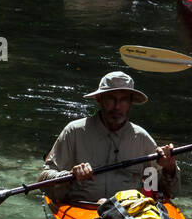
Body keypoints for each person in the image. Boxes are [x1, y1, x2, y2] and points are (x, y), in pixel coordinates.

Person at [40, 71, 179, 207]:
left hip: (129, 213)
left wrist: (169, 168)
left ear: (130, 102)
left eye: (123, 100)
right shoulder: (74, 132)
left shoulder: (142, 139)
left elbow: (162, 190)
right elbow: (44, 179)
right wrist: (70, 175)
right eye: (111, 99)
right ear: (99, 99)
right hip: (83, 209)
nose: (117, 106)